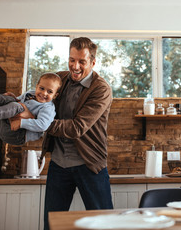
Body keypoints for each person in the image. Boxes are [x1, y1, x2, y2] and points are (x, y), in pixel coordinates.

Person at [38, 37, 113, 230]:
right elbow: (38, 98)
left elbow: (76, 128)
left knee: (104, 223)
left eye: (82, 61)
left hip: (89, 165)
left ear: (93, 62)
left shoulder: (101, 89)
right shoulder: (60, 79)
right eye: (72, 60)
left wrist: (38, 122)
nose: (75, 66)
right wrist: (18, 102)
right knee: (52, 224)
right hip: (59, 164)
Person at [0, 72, 61, 146]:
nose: (44, 93)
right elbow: (18, 101)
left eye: (50, 92)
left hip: (17, 135)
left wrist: (21, 123)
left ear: (55, 95)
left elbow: (43, 125)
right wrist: (12, 98)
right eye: (42, 88)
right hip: (6, 124)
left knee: (17, 106)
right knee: (9, 98)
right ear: (36, 86)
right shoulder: (30, 93)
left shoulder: (48, 108)